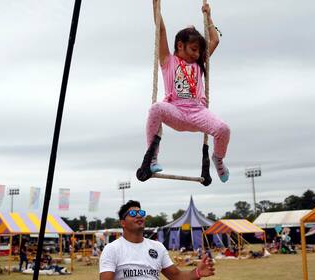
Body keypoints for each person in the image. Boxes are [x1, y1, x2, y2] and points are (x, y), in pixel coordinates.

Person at [146, 0, 230, 183]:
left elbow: (215, 40)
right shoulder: (168, 60)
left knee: (223, 129)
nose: (196, 54)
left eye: (199, 51)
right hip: (175, 111)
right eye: (193, 49)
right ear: (179, 46)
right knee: (155, 109)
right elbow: (160, 30)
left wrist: (208, 16)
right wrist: (156, 6)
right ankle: (152, 155)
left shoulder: (200, 64)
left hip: (197, 113)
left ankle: (218, 159)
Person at [99, 200, 215, 279]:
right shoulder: (112, 249)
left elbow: (177, 276)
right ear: (123, 223)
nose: (139, 215)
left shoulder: (157, 247)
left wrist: (197, 272)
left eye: (141, 213)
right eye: (133, 213)